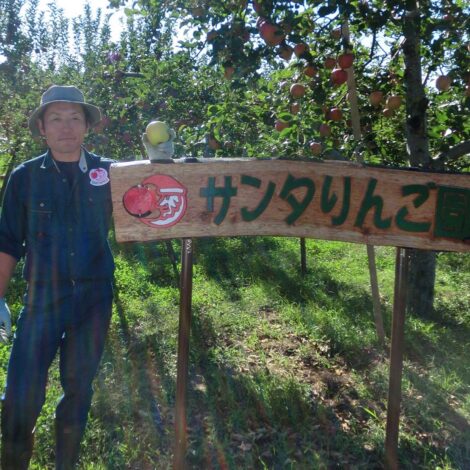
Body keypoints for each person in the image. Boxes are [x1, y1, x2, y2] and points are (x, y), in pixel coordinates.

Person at [0, 85, 115, 469]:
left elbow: (157, 192)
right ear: (42, 129)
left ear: (86, 126)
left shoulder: (110, 173)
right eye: (56, 119)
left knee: (78, 389)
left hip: (93, 300)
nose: (66, 127)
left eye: (74, 118)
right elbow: (7, 243)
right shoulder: (24, 178)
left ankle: (66, 463)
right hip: (42, 299)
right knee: (20, 395)